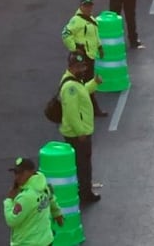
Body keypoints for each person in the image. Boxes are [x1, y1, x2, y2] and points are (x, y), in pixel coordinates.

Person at [59, 52, 102, 204]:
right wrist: (80, 132)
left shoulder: (74, 82)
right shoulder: (70, 86)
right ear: (71, 67)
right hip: (77, 134)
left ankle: (84, 190)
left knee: (83, 162)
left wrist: (94, 83)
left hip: (79, 131)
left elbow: (82, 91)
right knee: (83, 165)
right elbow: (71, 113)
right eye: (79, 67)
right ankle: (85, 194)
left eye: (83, 66)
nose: (83, 69)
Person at [61, 0, 108, 117]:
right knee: (86, 83)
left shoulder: (91, 19)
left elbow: (94, 36)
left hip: (90, 56)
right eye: (85, 6)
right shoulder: (76, 20)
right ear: (81, 6)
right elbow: (65, 33)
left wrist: (100, 47)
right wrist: (74, 49)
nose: (88, 8)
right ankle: (92, 109)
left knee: (87, 83)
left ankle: (87, 109)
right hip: (82, 57)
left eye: (90, 5)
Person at [3, 157, 64, 246]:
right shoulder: (43, 185)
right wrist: (57, 214)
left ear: (31, 172)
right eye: (15, 173)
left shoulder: (25, 197)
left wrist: (8, 201)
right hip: (46, 241)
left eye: (21, 173)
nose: (17, 177)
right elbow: (51, 199)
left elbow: (12, 220)